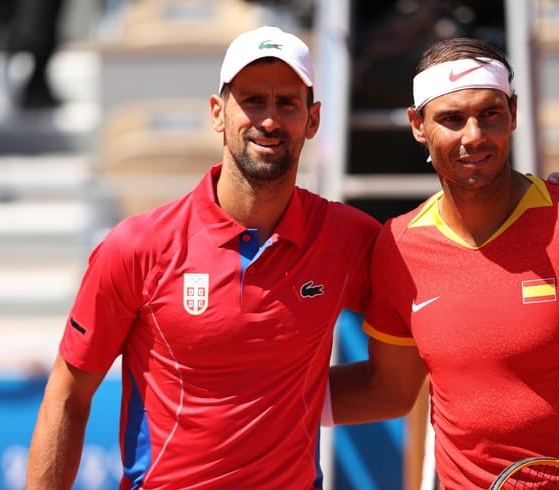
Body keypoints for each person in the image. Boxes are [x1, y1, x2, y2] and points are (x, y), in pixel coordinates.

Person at [327, 37, 559, 489]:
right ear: (417, 125)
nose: (474, 135)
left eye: (489, 114)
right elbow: (386, 390)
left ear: (512, 112)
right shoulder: (398, 247)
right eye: (451, 119)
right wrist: (248, 397)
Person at [24, 26, 381, 488]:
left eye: (287, 103)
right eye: (252, 101)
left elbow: (407, 366)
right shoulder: (137, 246)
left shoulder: (348, 237)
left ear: (312, 120)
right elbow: (67, 398)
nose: (269, 120)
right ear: (218, 113)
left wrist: (304, 402)